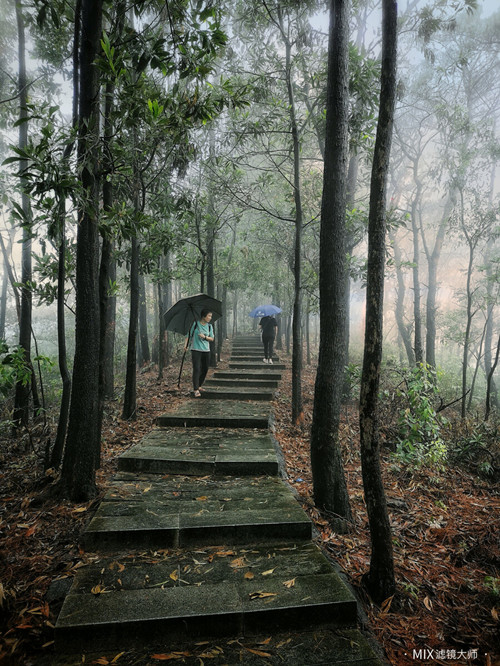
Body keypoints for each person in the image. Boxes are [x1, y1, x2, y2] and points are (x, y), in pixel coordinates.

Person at [184, 309, 214, 397]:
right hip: (196, 349)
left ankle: (200, 385)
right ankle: (196, 389)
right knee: (197, 368)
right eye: (209, 316)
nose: (210, 318)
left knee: (205, 369)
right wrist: (185, 346)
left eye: (211, 316)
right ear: (204, 316)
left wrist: (204, 337)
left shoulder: (209, 326)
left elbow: (212, 338)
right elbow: (188, 335)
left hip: (206, 350)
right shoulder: (195, 324)